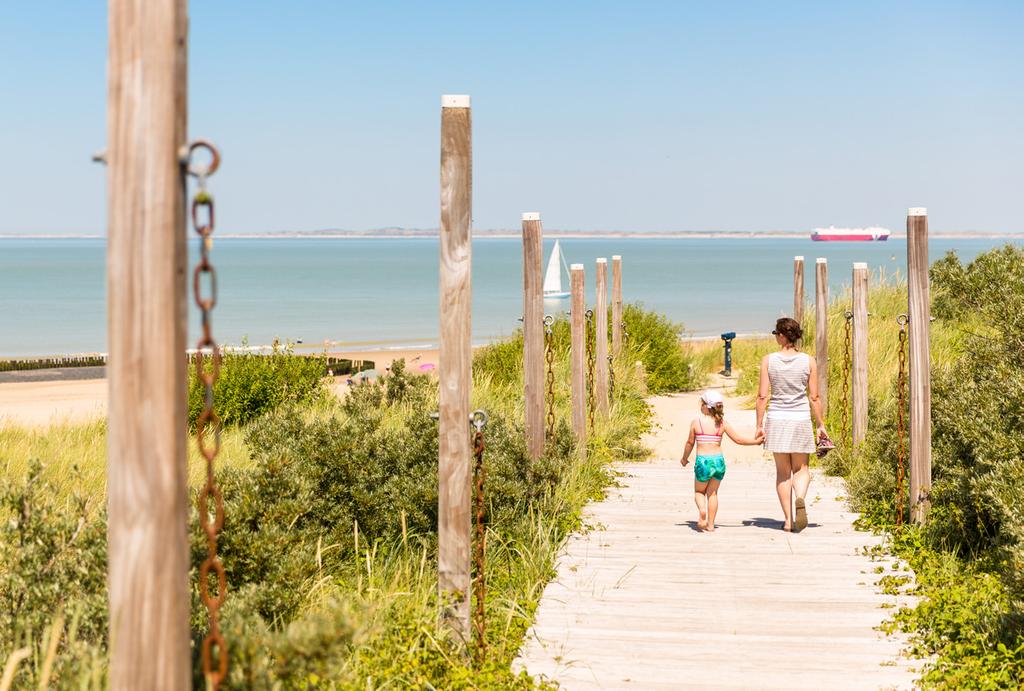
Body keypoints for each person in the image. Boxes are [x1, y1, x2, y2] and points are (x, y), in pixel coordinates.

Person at [756, 317, 827, 532]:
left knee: (782, 472)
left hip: (777, 419)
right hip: (800, 419)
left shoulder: (768, 360)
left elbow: (762, 396)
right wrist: (821, 425)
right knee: (801, 468)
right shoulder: (808, 361)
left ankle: (788, 520)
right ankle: (801, 497)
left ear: (781, 336)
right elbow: (814, 397)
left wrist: (759, 424)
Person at [680, 389, 764, 532]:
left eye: (702, 404)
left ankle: (702, 511)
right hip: (719, 462)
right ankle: (711, 525)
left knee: (699, 492)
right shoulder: (723, 423)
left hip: (703, 462)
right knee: (713, 493)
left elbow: (690, 443)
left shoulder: (696, 422)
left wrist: (684, 458)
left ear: (706, 406)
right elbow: (738, 439)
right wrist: (755, 442)